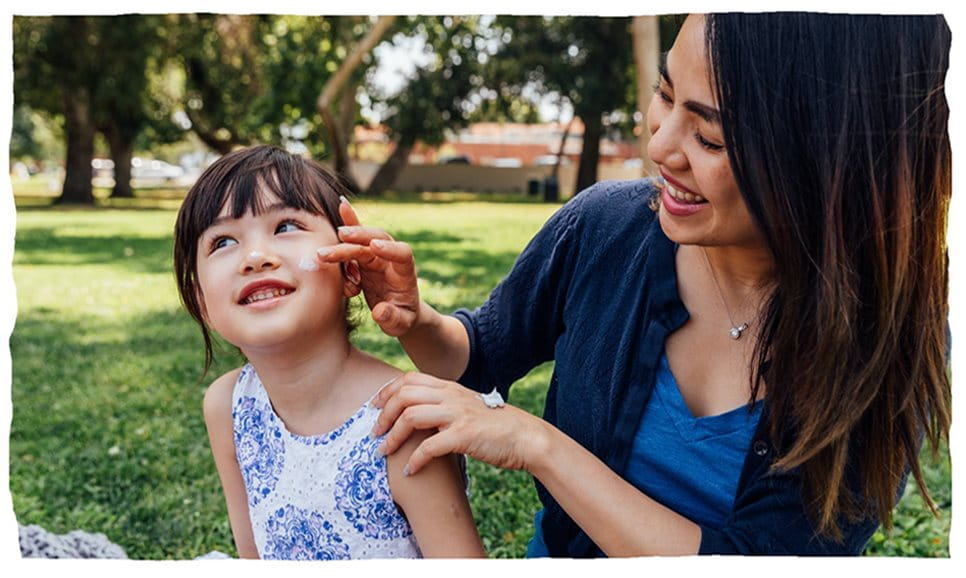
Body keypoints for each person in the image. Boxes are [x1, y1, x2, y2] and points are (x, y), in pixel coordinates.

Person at [315, 13, 952, 556]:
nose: (661, 147)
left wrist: (541, 446)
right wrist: (417, 318)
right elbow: (481, 355)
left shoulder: (887, 348)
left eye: (710, 136)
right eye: (665, 95)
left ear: (825, 161)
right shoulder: (605, 227)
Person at [172, 145, 485, 560]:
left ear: (351, 268)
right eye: (223, 241)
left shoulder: (403, 418)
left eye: (285, 226)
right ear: (202, 301)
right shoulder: (228, 406)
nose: (254, 257)